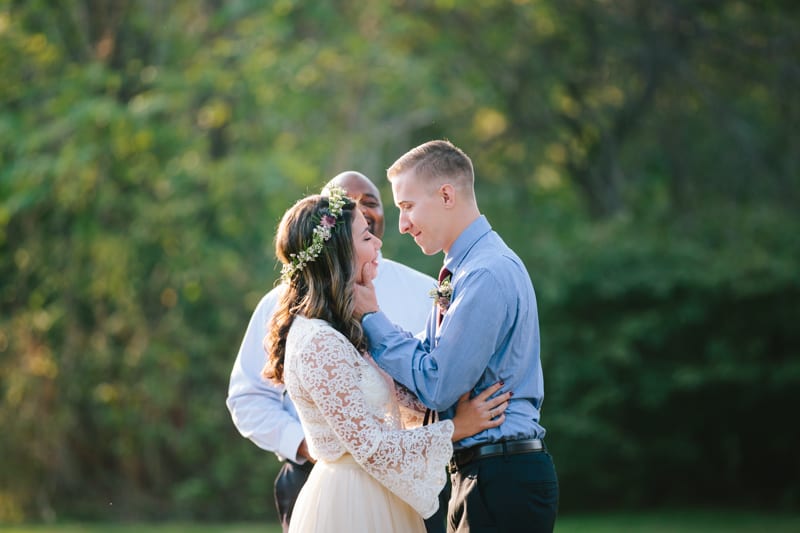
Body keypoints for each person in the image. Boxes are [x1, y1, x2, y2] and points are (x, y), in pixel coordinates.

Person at [262, 187, 512, 532]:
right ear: (340, 253)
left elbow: (397, 404)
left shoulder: (339, 331)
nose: (378, 244)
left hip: (381, 496)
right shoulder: (317, 343)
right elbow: (372, 446)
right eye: (366, 237)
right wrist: (456, 428)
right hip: (352, 506)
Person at [354, 140, 559, 532]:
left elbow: (438, 383)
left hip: (502, 477)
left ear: (446, 194)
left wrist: (372, 318)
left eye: (407, 207)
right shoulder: (463, 270)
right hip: (482, 472)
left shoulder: (485, 274)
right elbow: (431, 356)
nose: (402, 225)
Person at [226, 172, 447, 532]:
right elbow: (249, 397)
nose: (372, 233)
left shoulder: (424, 289)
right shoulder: (306, 328)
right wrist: (314, 444)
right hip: (346, 492)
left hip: (404, 484)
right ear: (339, 243)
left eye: (371, 203)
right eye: (360, 227)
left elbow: (406, 387)